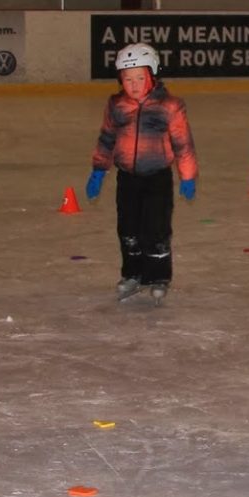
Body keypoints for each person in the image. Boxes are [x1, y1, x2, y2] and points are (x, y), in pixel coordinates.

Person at [85, 43, 198, 305]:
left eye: (140, 78)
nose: (134, 85)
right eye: (127, 79)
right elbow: (106, 139)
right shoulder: (116, 105)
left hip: (157, 177)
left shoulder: (170, 106)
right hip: (127, 177)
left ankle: (159, 277)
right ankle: (132, 274)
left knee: (156, 230)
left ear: (153, 74)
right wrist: (99, 170)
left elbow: (183, 143)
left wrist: (188, 175)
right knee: (128, 228)